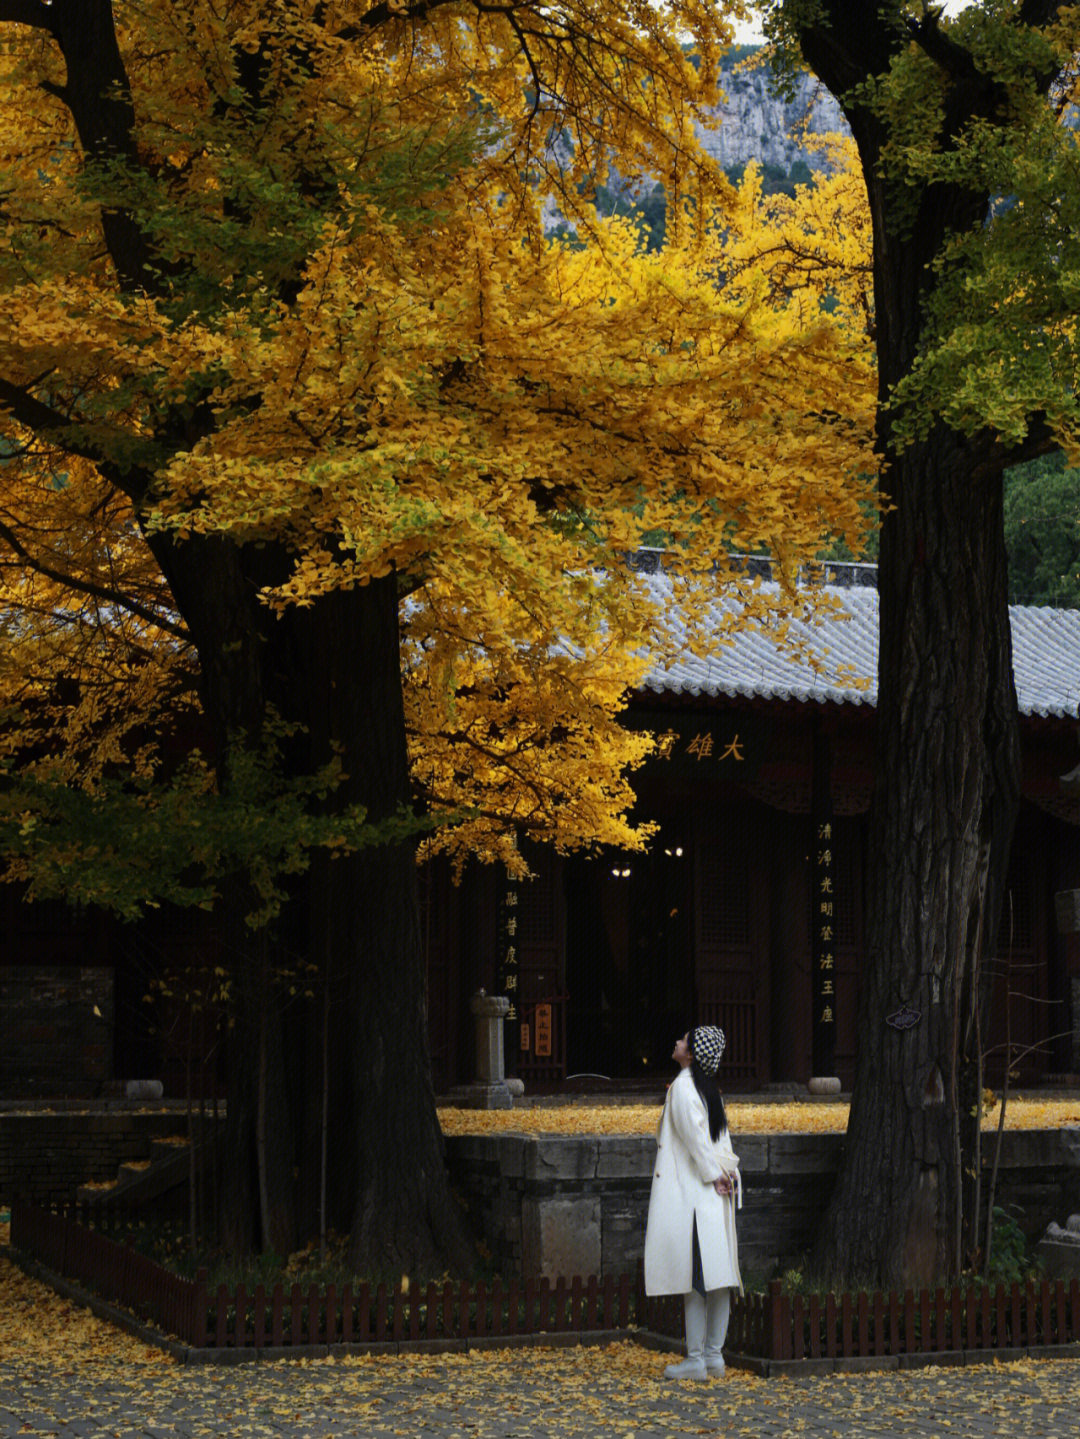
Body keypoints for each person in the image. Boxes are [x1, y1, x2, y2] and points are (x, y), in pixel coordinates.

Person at [643, 1025, 742, 1381]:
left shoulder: (684, 1087)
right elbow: (716, 1140)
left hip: (698, 1196)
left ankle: (698, 1358)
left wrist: (712, 1173)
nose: (677, 1041)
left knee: (696, 1281)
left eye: (683, 1039)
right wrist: (723, 1174)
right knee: (717, 1277)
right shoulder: (707, 1089)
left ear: (692, 1053)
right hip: (713, 1196)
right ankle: (713, 1356)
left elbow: (696, 1140)